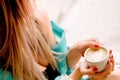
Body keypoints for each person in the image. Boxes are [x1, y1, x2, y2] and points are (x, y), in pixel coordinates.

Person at [0, 0, 114, 80]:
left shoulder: (38, 21)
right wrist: (78, 73)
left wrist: (74, 53)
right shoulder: (4, 70)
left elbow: (58, 72)